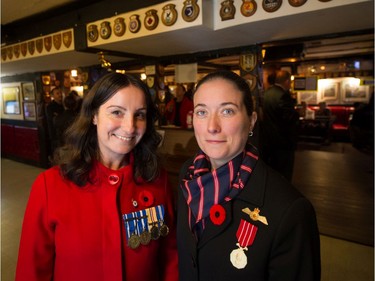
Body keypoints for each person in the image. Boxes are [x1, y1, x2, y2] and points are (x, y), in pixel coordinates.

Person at [16, 73, 179, 281]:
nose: (130, 127)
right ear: (94, 115)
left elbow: (170, 259)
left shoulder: (157, 180)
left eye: (139, 115)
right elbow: (31, 271)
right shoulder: (50, 185)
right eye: (117, 112)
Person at [177, 70, 320, 281]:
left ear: (251, 121)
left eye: (227, 111)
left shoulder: (291, 210)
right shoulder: (188, 175)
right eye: (201, 112)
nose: (212, 127)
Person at [260, 70, 300, 181]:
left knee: (272, 173)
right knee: (284, 174)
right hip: (283, 143)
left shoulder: (266, 93)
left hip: (268, 141)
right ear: (287, 81)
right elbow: (288, 119)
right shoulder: (283, 96)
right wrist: (297, 114)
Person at [45, 87, 64, 156]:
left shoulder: (63, 105)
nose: (60, 95)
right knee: (57, 153)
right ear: (52, 96)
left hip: (63, 134)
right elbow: (53, 120)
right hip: (55, 134)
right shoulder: (50, 107)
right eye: (57, 93)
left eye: (60, 93)